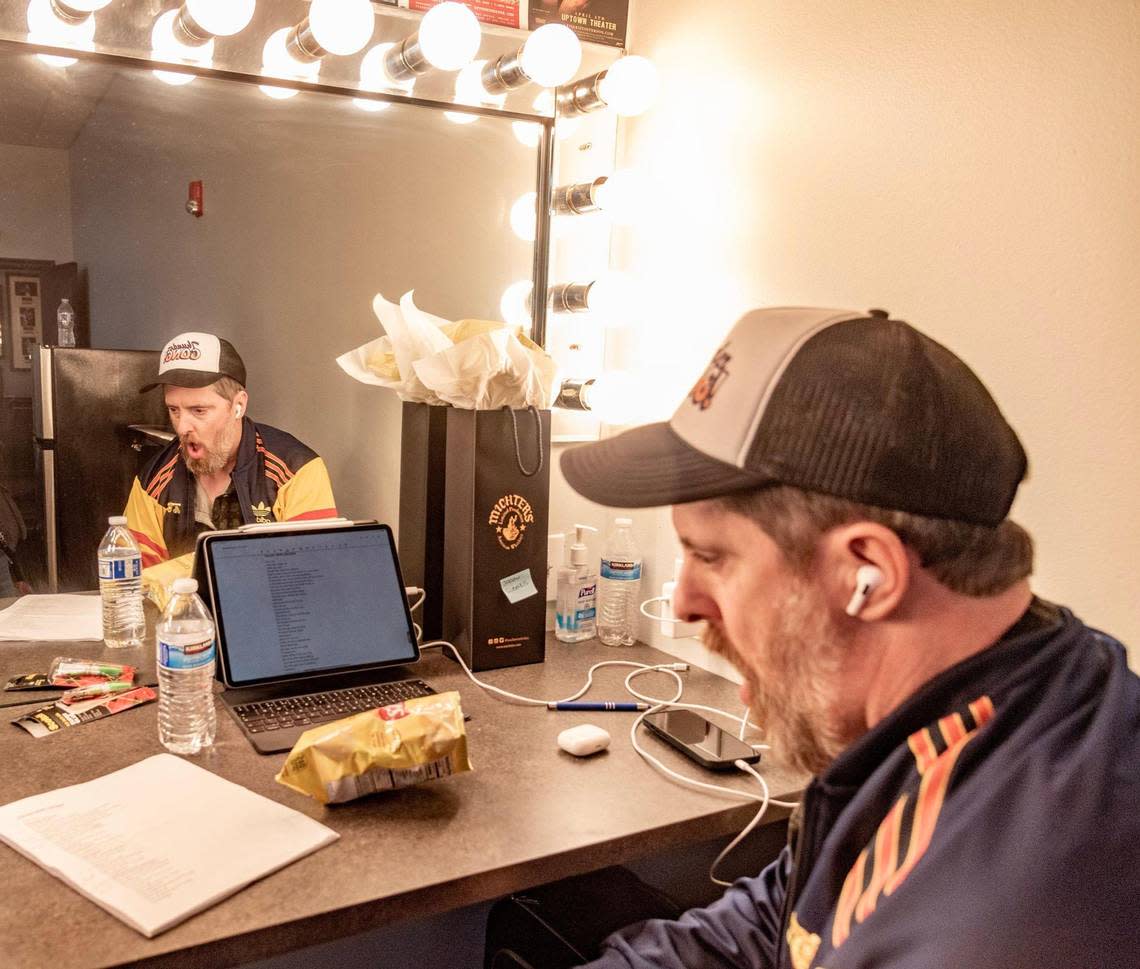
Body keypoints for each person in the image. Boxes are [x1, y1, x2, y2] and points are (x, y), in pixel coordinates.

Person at [559, 307, 1139, 969]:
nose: (687, 602)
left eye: (712, 557)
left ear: (868, 572)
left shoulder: (999, 927)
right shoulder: (1006, 692)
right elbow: (787, 920)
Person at [125, 332, 337, 599]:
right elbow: (135, 586)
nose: (182, 427)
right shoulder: (152, 480)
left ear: (238, 405)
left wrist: (185, 573)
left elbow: (310, 573)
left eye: (199, 410)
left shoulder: (297, 470)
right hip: (183, 629)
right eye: (174, 410)